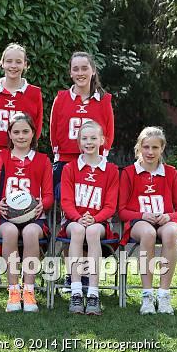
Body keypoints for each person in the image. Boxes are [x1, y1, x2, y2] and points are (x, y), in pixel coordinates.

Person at [49, 51, 115, 291]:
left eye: (84, 68)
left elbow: (108, 133)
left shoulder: (103, 100)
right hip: (68, 164)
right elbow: (54, 131)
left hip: (95, 165)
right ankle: (72, 275)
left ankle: (87, 275)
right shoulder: (61, 98)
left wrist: (98, 160)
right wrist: (61, 158)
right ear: (70, 72)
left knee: (91, 214)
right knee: (70, 218)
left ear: (93, 71)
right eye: (75, 69)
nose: (80, 73)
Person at [0, 43, 43, 288]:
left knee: (28, 208)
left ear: (25, 64)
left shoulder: (33, 93)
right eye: (9, 61)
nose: (13, 66)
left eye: (19, 61)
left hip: (25, 156)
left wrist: (25, 149)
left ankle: (30, 269)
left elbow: (36, 125)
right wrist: (1, 150)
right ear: (2, 63)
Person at [0, 113, 53, 312]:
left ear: (33, 133)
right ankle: (14, 290)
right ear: (9, 134)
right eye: (16, 132)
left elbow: (48, 195)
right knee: (10, 231)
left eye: (25, 131)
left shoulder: (43, 160)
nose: (21, 136)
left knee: (30, 232)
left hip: (34, 218)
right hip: (6, 218)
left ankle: (29, 290)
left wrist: (42, 204)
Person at [118, 126, 177, 315]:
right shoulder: (128, 173)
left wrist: (169, 216)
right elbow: (122, 212)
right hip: (139, 223)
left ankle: (164, 295)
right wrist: (141, 215)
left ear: (162, 148)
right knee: (148, 233)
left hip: (166, 221)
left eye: (155, 147)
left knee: (171, 232)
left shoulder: (171, 173)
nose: (150, 152)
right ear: (139, 147)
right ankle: (147, 295)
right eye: (146, 147)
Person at [59, 120, 119, 315]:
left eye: (93, 138)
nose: (89, 142)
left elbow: (110, 206)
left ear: (102, 140)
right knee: (78, 230)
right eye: (84, 138)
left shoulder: (111, 170)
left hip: (99, 222)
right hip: (73, 221)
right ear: (79, 142)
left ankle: (93, 293)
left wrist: (95, 219)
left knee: (92, 232)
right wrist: (78, 218)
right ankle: (76, 291)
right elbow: (66, 202)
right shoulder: (70, 168)